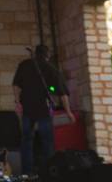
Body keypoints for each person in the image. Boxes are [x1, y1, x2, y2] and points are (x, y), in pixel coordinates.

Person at [12, 44, 75, 175]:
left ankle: (27, 174)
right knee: (47, 142)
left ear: (35, 53)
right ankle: (49, 173)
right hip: (44, 110)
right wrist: (68, 112)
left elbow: (16, 85)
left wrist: (18, 102)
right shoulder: (51, 68)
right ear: (47, 55)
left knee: (26, 141)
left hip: (27, 108)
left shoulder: (24, 65)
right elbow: (62, 93)